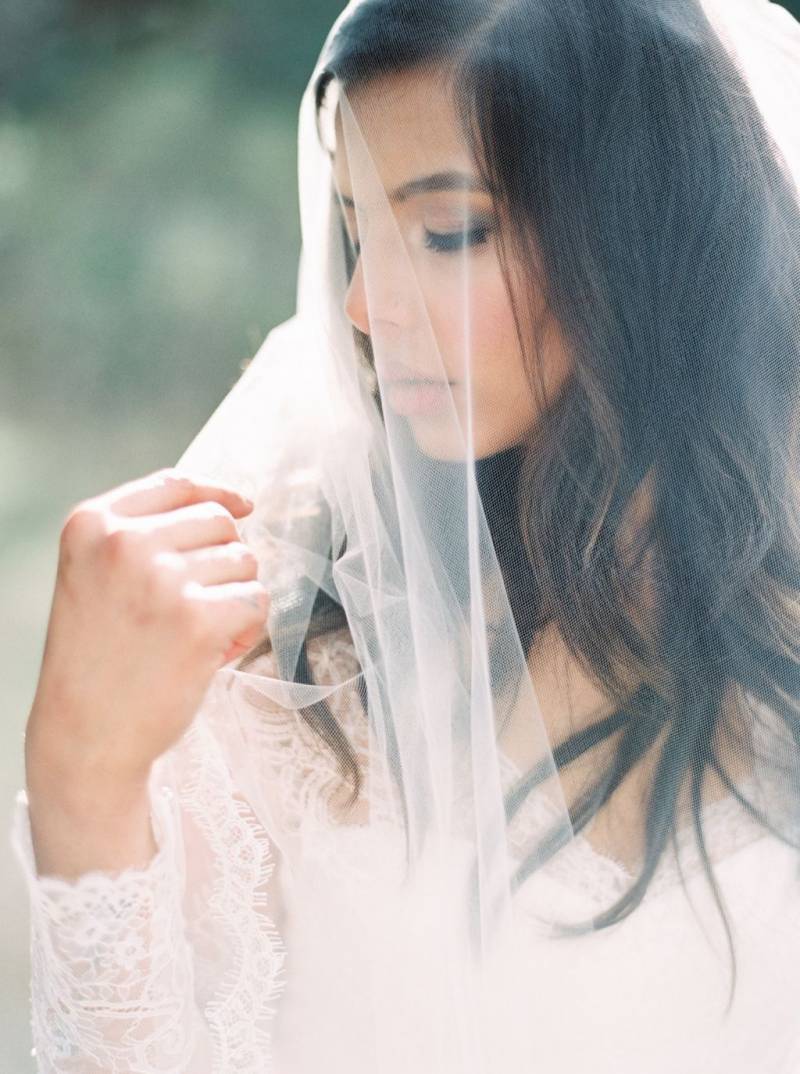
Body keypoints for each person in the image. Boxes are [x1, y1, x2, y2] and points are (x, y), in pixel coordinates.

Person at [10, 0, 800, 1070]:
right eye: (355, 227)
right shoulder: (288, 648)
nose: (364, 308)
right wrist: (79, 777)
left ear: (644, 230)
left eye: (448, 232)